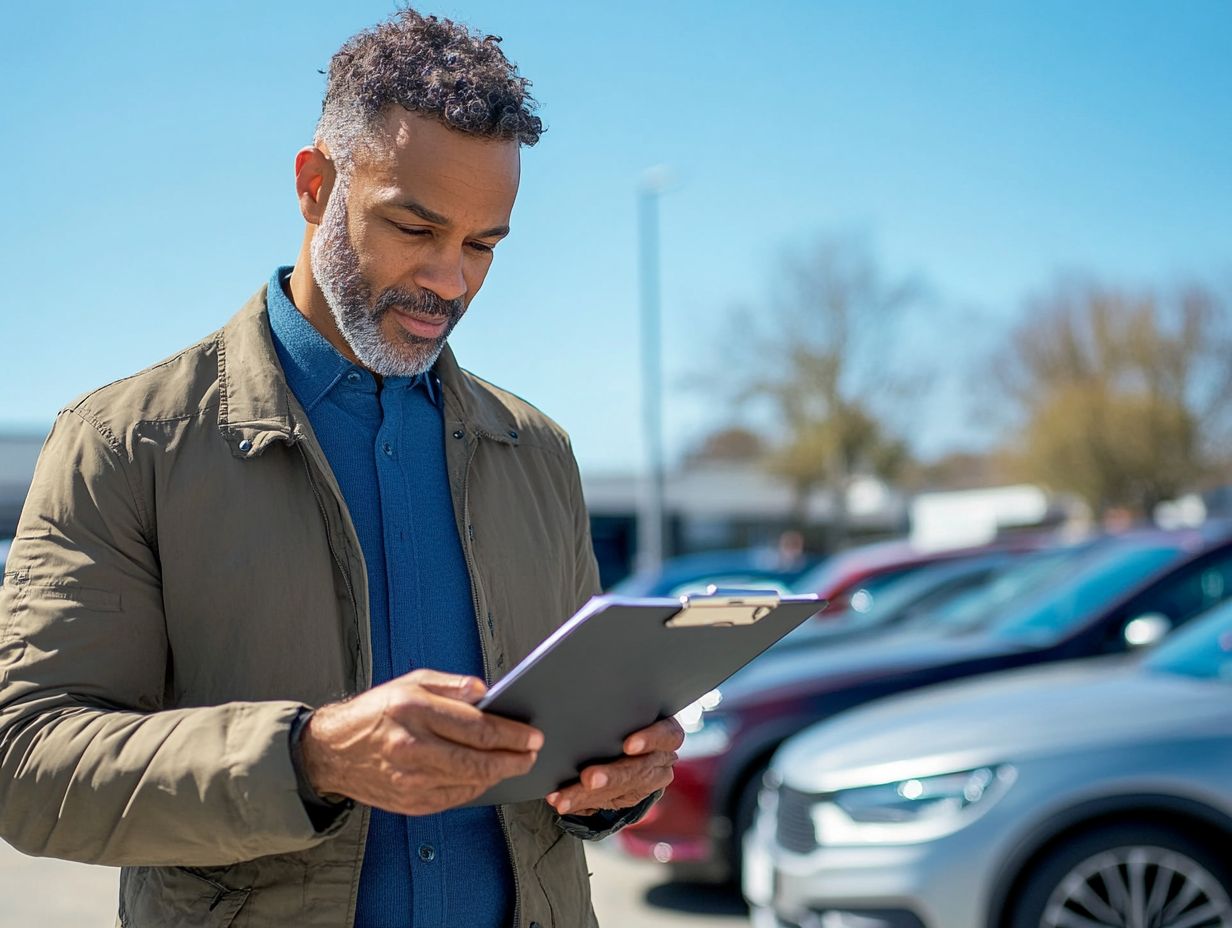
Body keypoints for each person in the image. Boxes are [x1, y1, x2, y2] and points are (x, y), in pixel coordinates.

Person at [0, 10, 681, 927]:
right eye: (415, 227)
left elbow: (568, 745)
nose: (451, 280)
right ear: (315, 185)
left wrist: (619, 778)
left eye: (483, 244)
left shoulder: (539, 453)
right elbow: (30, 765)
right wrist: (310, 757)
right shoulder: (126, 445)